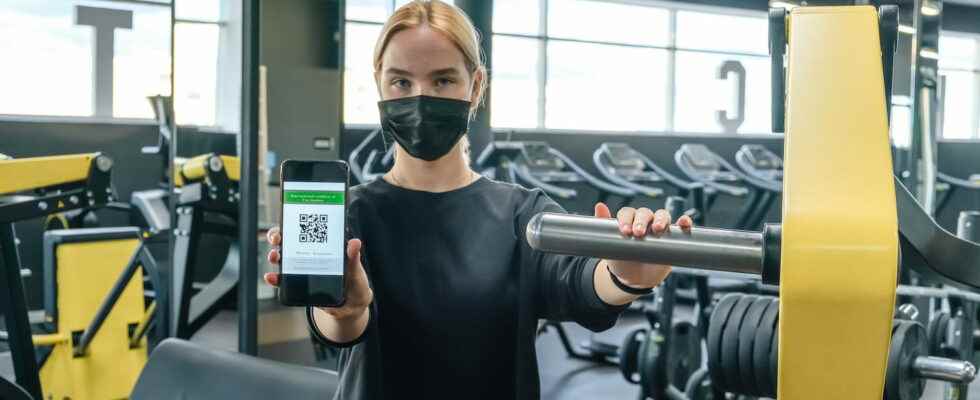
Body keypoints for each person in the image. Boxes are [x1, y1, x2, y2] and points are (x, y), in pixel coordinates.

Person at [263, 1, 693, 399]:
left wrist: (626, 272)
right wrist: (344, 309)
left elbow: (582, 281)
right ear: (379, 84)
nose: (420, 97)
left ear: (476, 86)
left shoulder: (523, 213)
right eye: (401, 81)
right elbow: (337, 328)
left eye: (443, 80)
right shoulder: (350, 213)